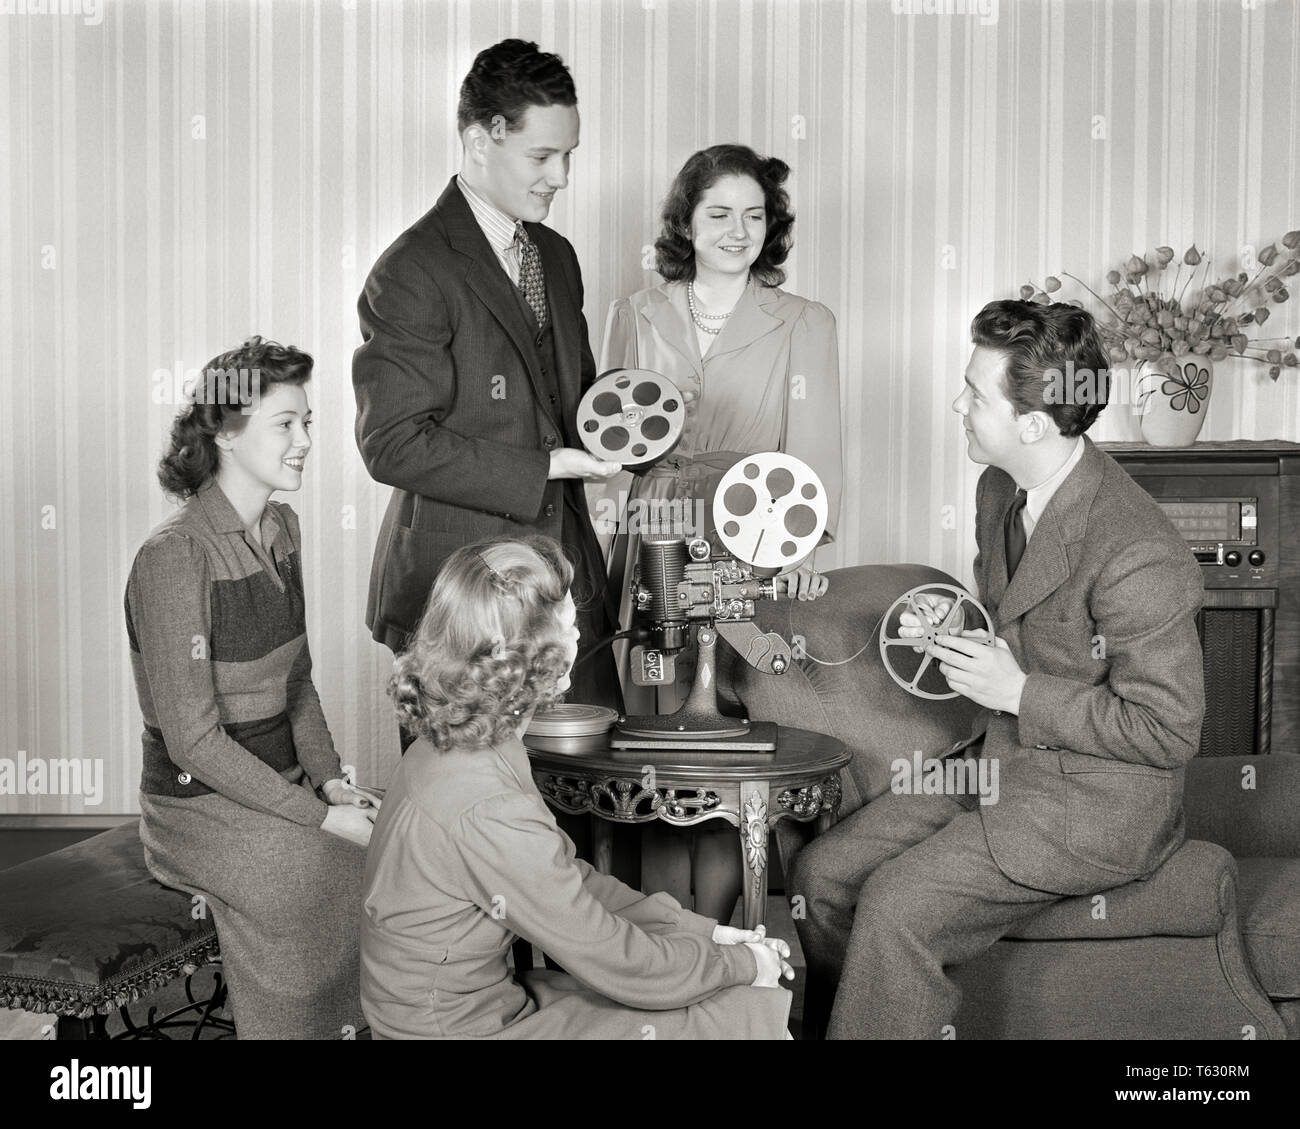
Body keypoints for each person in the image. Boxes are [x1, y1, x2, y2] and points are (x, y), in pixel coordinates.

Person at [787, 300, 1206, 1039]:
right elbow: (1015, 620)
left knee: (896, 908)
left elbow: (1167, 729)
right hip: (996, 763)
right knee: (821, 877)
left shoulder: (1139, 549)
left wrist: (1017, 690)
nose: (958, 403)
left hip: (1097, 802)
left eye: (975, 394)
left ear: (1035, 423)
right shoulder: (998, 489)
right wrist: (952, 630)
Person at [359, 536, 795, 1039]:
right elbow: (616, 959)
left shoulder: (469, 739)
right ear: (535, 655)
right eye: (569, 623)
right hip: (459, 1029)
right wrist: (739, 965)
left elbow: (568, 881)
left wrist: (707, 933)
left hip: (480, 1002)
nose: (579, 633)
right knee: (742, 1015)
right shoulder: (488, 801)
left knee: (732, 1001)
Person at [594, 143, 844, 922]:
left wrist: (803, 545)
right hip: (651, 531)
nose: (738, 230)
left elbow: (816, 442)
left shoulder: (805, 321)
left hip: (751, 528)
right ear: (687, 222)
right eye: (719, 213)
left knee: (731, 728)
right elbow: (609, 440)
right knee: (652, 729)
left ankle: (721, 935)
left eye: (754, 215)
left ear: (772, 227)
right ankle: (663, 940)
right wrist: (606, 517)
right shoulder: (632, 312)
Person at [353, 39, 623, 747]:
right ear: (480, 140)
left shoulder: (556, 257)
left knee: (582, 790)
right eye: (542, 157)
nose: (560, 176)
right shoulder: (411, 269)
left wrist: (628, 417)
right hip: (458, 589)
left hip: (567, 583)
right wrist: (546, 467)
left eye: (569, 154)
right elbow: (393, 441)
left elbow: (572, 403)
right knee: (464, 811)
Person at [125, 338, 375, 1039]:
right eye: (285, 424)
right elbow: (194, 742)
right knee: (323, 873)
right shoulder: (174, 556)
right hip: (197, 808)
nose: (305, 441)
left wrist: (331, 784)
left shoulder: (284, 528)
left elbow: (297, 681)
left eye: (307, 422)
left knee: (390, 842)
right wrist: (321, 819)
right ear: (227, 434)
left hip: (282, 784)